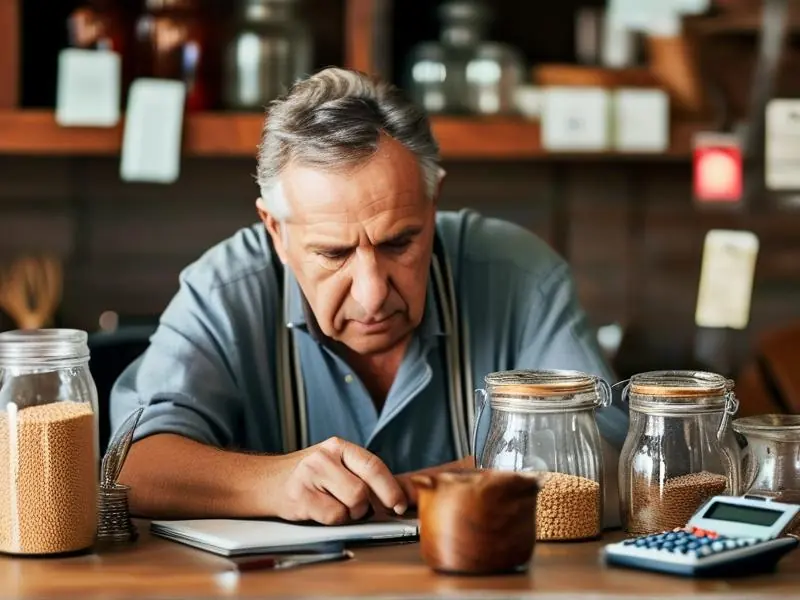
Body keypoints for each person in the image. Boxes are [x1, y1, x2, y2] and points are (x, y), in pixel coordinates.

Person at [110, 67, 629, 526]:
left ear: (432, 203)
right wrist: (274, 482)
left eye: (399, 243)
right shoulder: (223, 290)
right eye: (334, 253)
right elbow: (133, 466)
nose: (373, 294)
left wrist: (404, 492)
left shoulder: (520, 274)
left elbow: (603, 451)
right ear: (276, 231)